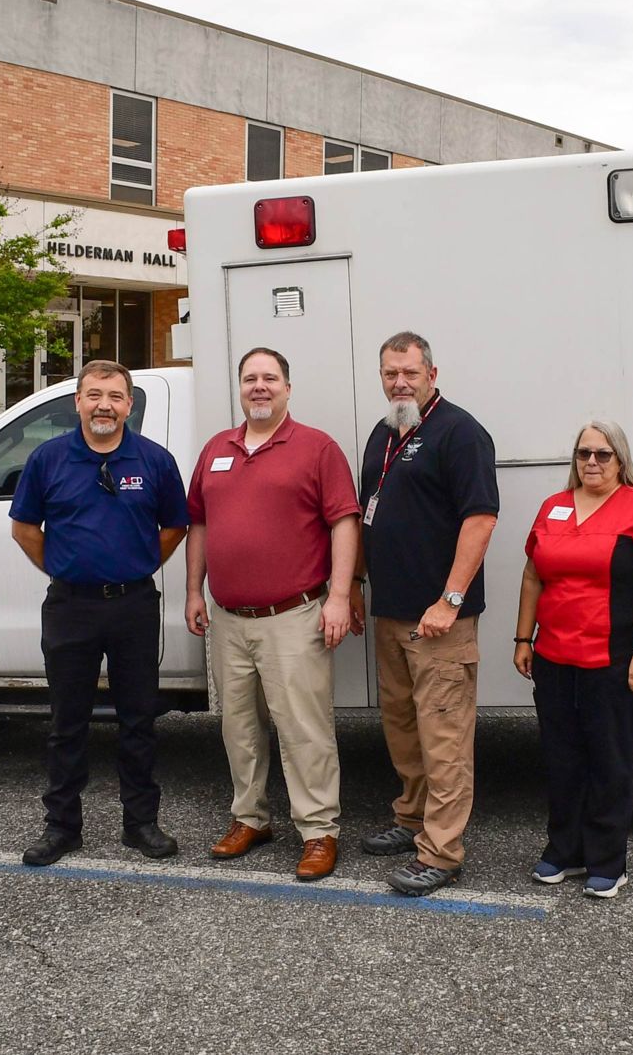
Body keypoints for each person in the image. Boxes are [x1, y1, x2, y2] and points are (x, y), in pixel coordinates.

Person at [185, 347, 361, 881]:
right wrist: (194, 591)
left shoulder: (316, 448)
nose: (259, 387)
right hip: (229, 618)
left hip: (294, 615)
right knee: (238, 726)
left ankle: (318, 831)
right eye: (250, 379)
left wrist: (338, 595)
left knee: (303, 728)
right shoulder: (218, 448)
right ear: (239, 388)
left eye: (270, 378)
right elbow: (199, 524)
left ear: (288, 387)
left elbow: (344, 523)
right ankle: (250, 818)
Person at [9, 359, 189, 867]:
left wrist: (138, 562)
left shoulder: (155, 461)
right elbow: (24, 528)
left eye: (114, 396)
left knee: (138, 719)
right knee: (67, 722)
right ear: (78, 403)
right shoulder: (48, 460)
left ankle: (141, 824)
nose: (104, 405)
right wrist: (67, 568)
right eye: (94, 395)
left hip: (133, 604)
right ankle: (62, 827)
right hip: (70, 606)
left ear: (129, 405)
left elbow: (174, 526)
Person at [356, 331, 498, 896]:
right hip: (391, 615)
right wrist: (356, 586)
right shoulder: (385, 433)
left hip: (440, 620)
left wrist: (451, 599)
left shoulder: (460, 433)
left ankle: (441, 851)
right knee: (403, 728)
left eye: (410, 373)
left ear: (431, 374)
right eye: (390, 373)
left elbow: (481, 519)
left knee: (444, 735)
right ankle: (411, 819)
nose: (399, 382)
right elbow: (371, 514)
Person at [513, 420, 633, 899]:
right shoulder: (554, 506)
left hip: (613, 658)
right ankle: (565, 851)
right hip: (554, 656)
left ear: (620, 459)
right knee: (562, 757)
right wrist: (524, 638)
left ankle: (608, 860)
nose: (591, 462)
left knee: (609, 758)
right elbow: (531, 576)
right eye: (583, 453)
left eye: (603, 454)